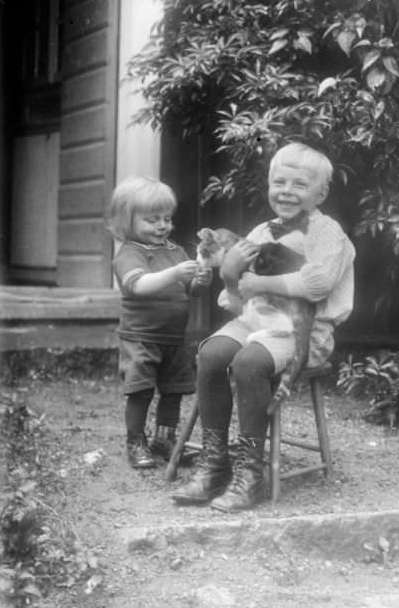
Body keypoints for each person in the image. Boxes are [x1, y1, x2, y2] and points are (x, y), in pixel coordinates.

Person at [172, 142, 355, 511]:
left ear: (321, 192)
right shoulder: (259, 232)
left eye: (300, 185)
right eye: (279, 182)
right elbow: (240, 303)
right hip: (258, 319)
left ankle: (250, 470)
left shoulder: (329, 234)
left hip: (306, 331)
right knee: (211, 353)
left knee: (248, 362)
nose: (287, 192)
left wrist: (261, 283)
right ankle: (215, 461)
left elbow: (317, 284)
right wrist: (227, 276)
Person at [108, 176, 212, 469]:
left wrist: (199, 281)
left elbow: (186, 289)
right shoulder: (129, 253)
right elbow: (138, 286)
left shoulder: (175, 251)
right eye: (152, 220)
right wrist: (177, 272)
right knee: (140, 389)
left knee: (174, 389)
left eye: (166, 218)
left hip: (173, 337)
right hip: (141, 337)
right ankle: (136, 442)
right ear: (127, 222)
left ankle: (164, 441)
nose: (162, 226)